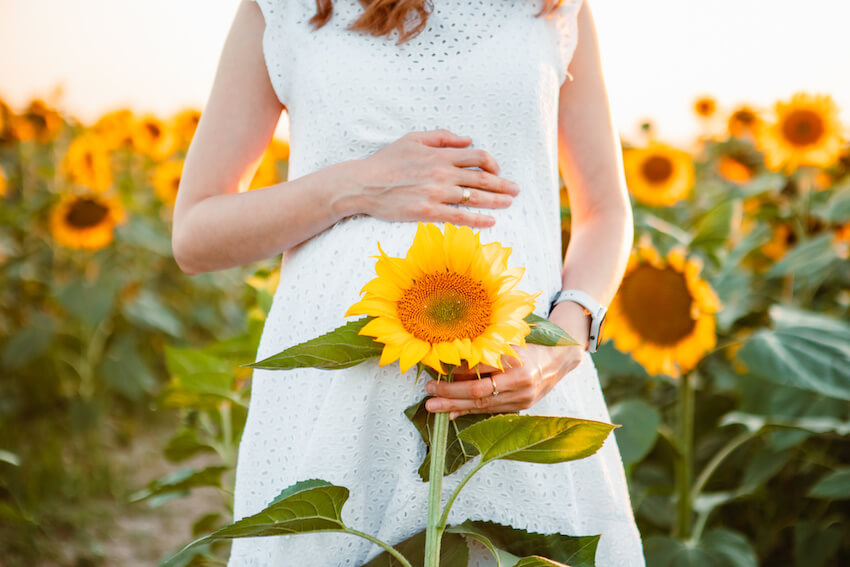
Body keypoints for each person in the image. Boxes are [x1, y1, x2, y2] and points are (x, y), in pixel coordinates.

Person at [172, 0, 645, 565]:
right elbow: (196, 233)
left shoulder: (552, 7)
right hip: (335, 403)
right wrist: (357, 185)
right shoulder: (286, 7)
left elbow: (605, 211)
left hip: (518, 389)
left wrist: (562, 344)